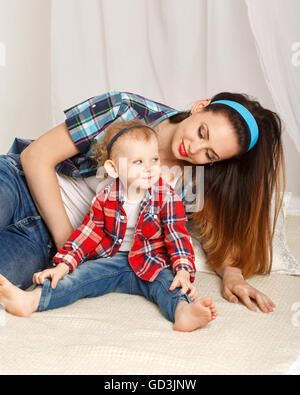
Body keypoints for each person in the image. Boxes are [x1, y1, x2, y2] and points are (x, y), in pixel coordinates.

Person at [0, 90, 284, 313]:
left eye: (209, 155)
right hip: (21, 182)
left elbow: (211, 239)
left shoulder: (190, 183)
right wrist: (70, 249)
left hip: (41, 240)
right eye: (201, 132)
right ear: (200, 106)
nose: (195, 149)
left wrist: (233, 276)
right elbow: (35, 157)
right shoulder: (123, 109)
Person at [0, 120, 217, 332]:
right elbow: (89, 233)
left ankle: (183, 312)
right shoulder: (106, 195)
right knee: (77, 279)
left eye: (154, 159)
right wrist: (63, 265)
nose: (150, 169)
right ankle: (31, 300)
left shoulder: (166, 195)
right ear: (113, 168)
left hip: (151, 260)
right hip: (110, 259)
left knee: (170, 284)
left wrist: (183, 270)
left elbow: (177, 235)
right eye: (138, 162)